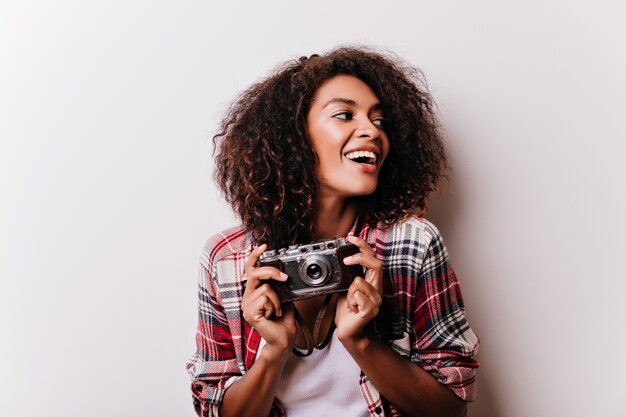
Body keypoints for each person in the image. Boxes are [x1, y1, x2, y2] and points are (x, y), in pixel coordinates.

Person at [186, 46, 480, 417]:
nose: (371, 131)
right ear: (293, 137)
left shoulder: (412, 244)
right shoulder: (227, 259)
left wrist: (361, 340)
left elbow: (450, 410)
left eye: (380, 121)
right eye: (345, 115)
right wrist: (274, 350)